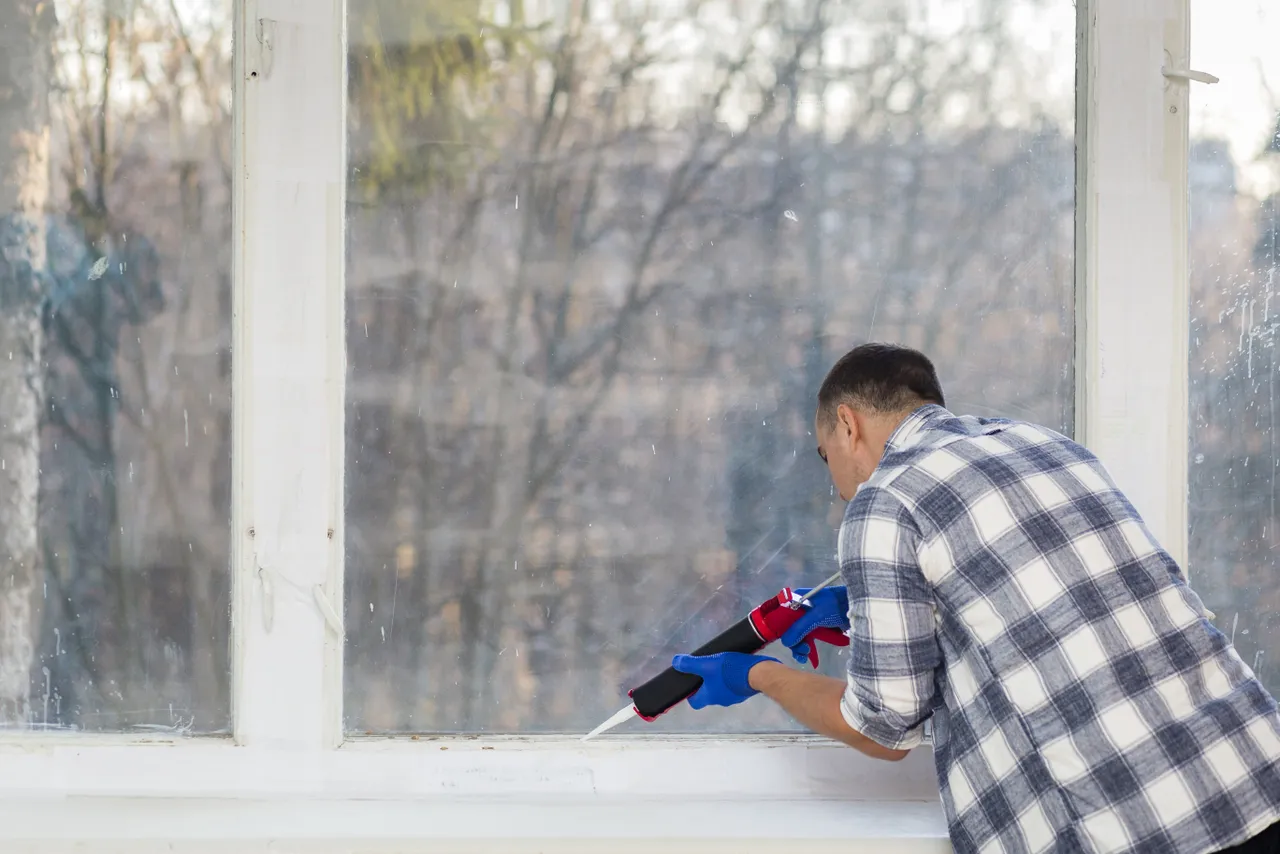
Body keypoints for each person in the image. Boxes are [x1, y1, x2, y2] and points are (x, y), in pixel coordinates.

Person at [671, 342, 1280, 854]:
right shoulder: (1046, 447)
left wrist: (758, 677)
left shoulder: (885, 501)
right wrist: (864, 610)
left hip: (1134, 827)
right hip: (1253, 775)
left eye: (825, 454)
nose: (835, 485)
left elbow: (882, 728)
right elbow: (1037, 609)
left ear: (848, 424)